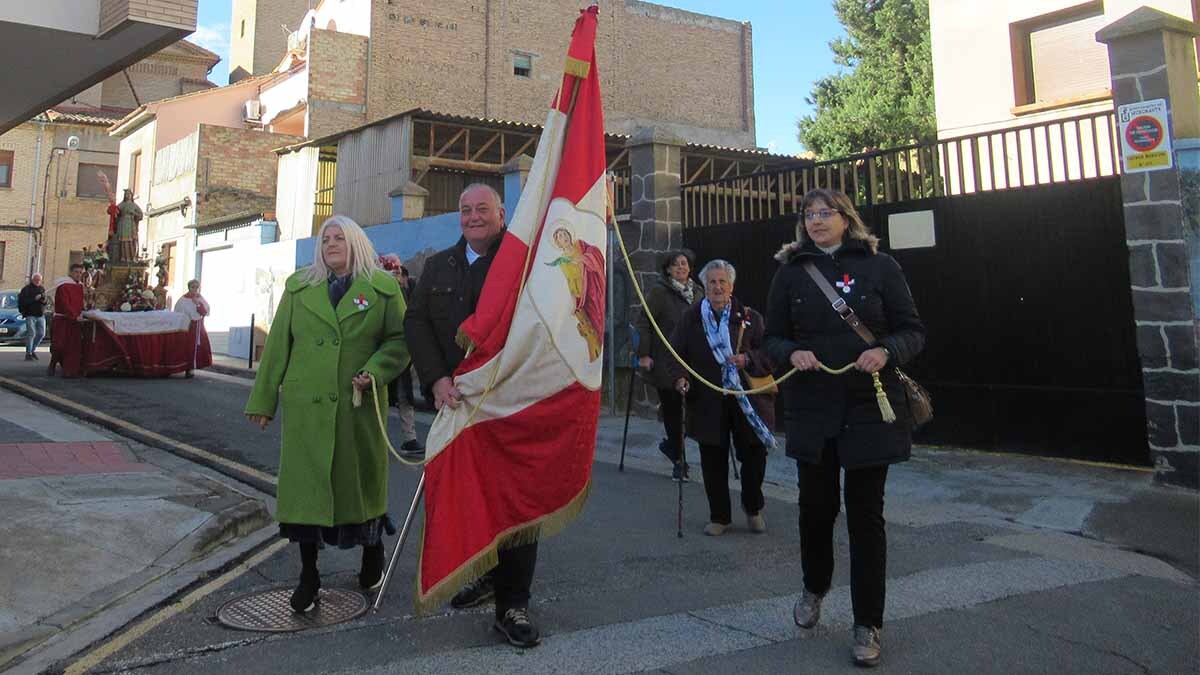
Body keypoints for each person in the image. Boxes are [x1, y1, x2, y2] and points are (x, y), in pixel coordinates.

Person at [764, 188, 925, 668]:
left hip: (869, 408)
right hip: (813, 408)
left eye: (824, 213)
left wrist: (887, 350)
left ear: (846, 218)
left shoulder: (881, 267)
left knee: (865, 519)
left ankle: (867, 622)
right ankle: (815, 588)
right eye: (808, 214)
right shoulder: (790, 272)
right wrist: (791, 352)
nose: (815, 221)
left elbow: (913, 330)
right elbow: (771, 336)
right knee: (815, 510)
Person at [244, 215, 409, 614]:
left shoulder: (383, 291)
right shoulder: (299, 289)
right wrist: (264, 401)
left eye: (339, 238)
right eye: (325, 239)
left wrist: (376, 369)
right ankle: (308, 575)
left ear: (356, 243)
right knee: (306, 493)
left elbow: (400, 340)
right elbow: (278, 346)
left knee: (361, 484)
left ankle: (372, 552)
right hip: (307, 410)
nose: (331, 244)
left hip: (358, 407)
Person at [404, 183, 541, 648]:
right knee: (471, 499)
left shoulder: (523, 264)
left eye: (483, 208)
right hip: (457, 405)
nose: (473, 216)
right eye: (465, 210)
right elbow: (416, 322)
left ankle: (513, 604)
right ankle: (484, 574)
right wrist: (435, 379)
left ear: (502, 214)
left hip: (511, 407)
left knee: (518, 505)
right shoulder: (439, 265)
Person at [667, 260, 775, 536]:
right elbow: (676, 354)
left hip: (747, 400)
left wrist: (747, 359)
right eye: (712, 282)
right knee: (712, 459)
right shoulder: (691, 318)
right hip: (707, 399)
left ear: (731, 286)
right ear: (705, 285)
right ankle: (720, 516)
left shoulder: (751, 318)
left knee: (753, 456)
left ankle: (753, 507)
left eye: (722, 282)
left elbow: (770, 354)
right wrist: (681, 378)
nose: (717, 287)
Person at [635, 250, 698, 480]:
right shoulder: (659, 293)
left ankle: (672, 447)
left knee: (691, 411)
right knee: (673, 411)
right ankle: (679, 461)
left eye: (684, 263)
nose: (681, 267)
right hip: (666, 361)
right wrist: (644, 354)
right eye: (675, 265)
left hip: (693, 363)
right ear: (668, 269)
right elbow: (643, 322)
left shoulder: (698, 292)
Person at [382, 257, 423, 459]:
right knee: (378, 398)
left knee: (405, 398)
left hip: (405, 352)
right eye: (393, 270)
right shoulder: (381, 290)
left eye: (399, 270)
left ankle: (410, 438)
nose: (396, 273)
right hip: (382, 354)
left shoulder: (412, 291)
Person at [47, 265, 87, 378]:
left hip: (75, 320)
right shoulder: (63, 285)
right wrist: (74, 315)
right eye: (76, 272)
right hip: (63, 319)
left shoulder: (79, 286)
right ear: (70, 272)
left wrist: (82, 312)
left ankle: (69, 370)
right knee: (58, 345)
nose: (78, 274)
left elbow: (79, 303)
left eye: (80, 272)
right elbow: (65, 303)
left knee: (73, 346)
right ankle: (52, 364)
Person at [174, 280, 212, 377]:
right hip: (187, 327)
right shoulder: (182, 300)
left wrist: (198, 304)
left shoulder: (200, 298)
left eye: (196, 287)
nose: (194, 289)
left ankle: (191, 368)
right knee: (186, 347)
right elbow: (178, 313)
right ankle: (185, 367)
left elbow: (204, 312)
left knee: (196, 348)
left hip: (198, 327)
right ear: (189, 287)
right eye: (192, 287)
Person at [18, 273, 47, 361]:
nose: (38, 282)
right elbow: (23, 302)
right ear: (32, 280)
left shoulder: (41, 289)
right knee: (31, 334)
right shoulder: (26, 289)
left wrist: (43, 298)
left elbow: (45, 302)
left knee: (41, 334)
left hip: (41, 315)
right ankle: (28, 353)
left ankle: (32, 350)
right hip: (30, 315)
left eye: (39, 280)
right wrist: (34, 299)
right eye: (36, 280)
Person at [113, 189, 143, 264]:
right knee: (123, 241)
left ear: (131, 196)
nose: (127, 195)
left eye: (129, 194)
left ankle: (131, 257)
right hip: (123, 224)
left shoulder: (134, 205)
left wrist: (134, 213)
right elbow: (115, 211)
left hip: (131, 223)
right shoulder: (121, 204)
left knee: (131, 241)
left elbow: (140, 215)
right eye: (126, 194)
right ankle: (123, 257)